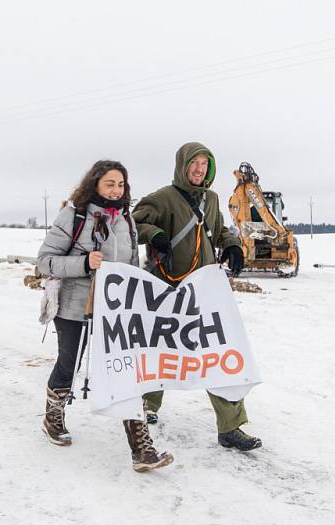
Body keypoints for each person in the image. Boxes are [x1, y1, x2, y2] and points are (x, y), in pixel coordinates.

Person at [37, 160, 173, 473]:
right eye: (109, 183)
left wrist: (139, 296)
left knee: (126, 369)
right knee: (68, 364)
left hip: (116, 311)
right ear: (95, 184)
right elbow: (45, 262)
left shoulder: (126, 219)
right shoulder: (73, 215)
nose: (116, 190)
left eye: (121, 184)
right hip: (74, 307)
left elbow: (131, 265)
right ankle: (52, 418)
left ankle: (142, 449)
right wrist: (84, 263)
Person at [132, 141, 261, 452]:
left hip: (204, 293)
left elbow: (217, 230)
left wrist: (230, 244)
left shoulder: (212, 199)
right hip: (168, 291)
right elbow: (134, 223)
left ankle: (230, 427)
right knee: (159, 352)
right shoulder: (162, 198)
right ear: (182, 165)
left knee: (218, 355)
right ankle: (147, 405)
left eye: (205, 164)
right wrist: (156, 235)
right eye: (195, 163)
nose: (199, 169)